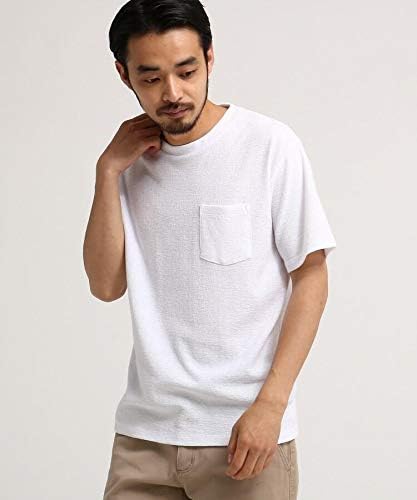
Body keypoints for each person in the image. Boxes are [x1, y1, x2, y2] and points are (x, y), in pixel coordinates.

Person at [82, 1, 337, 498]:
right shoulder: (127, 162)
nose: (173, 93)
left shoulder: (268, 145)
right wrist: (107, 172)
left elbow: (311, 275)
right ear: (124, 75)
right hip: (144, 436)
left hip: (244, 435)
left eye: (186, 71)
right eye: (151, 78)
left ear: (210, 58)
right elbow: (105, 285)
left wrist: (271, 405)